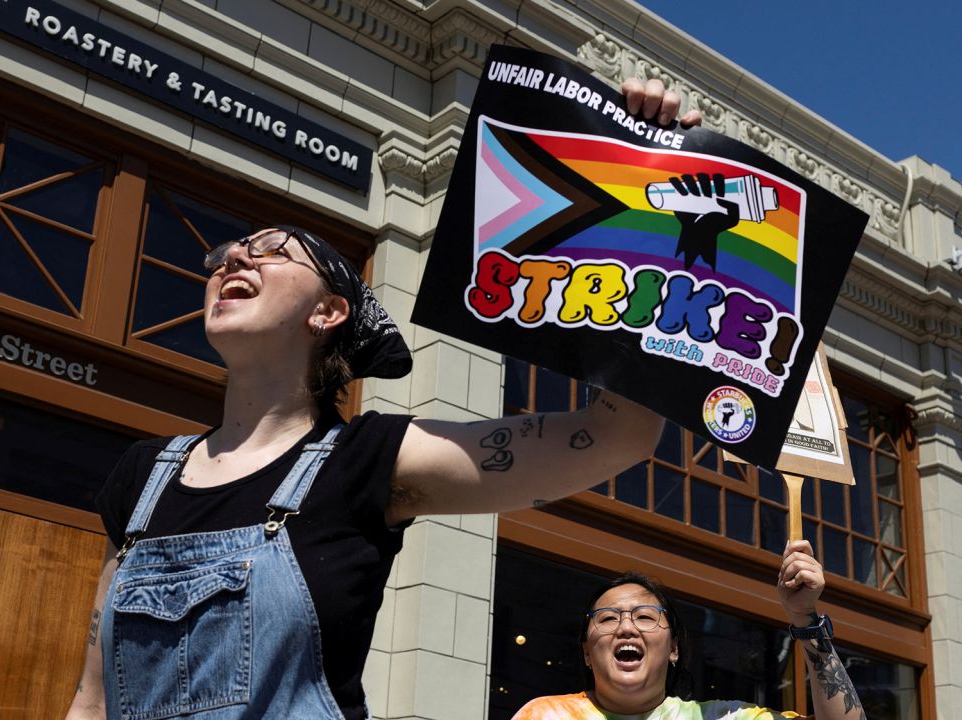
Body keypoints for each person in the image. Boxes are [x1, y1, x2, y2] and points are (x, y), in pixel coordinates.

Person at [65, 80, 701, 720]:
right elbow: (92, 701)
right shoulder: (143, 478)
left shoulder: (367, 460)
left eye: (272, 253)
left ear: (329, 311)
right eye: (229, 254)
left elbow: (617, 436)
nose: (235, 258)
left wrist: (639, 192)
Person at [510, 540, 866, 720]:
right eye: (607, 618)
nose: (626, 628)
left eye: (645, 616)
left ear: (674, 648)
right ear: (588, 651)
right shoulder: (543, 715)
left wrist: (805, 618)